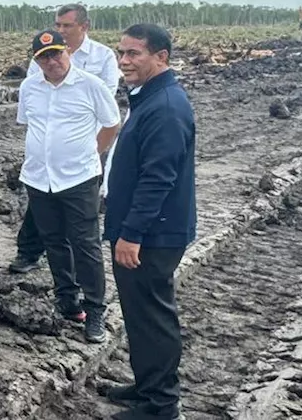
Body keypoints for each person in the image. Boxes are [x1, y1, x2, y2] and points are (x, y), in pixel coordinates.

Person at [104, 24, 196, 420]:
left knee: (153, 315)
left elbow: (159, 177)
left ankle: (161, 405)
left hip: (152, 235)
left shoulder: (167, 107)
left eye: (134, 54)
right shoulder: (150, 98)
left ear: (161, 58)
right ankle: (147, 385)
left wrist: (132, 233)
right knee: (139, 313)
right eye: (121, 53)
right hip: (144, 231)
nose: (124, 61)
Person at [16, 30, 120, 341]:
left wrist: (92, 154)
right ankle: (67, 299)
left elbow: (111, 124)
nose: (52, 61)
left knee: (85, 244)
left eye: (56, 54)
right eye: (44, 57)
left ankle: (95, 309)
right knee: (53, 241)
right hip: (38, 178)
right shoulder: (29, 86)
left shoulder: (91, 85)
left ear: (68, 53)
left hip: (78, 178)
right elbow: (28, 123)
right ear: (37, 61)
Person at [10, 3, 121, 273]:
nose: (60, 29)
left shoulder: (103, 57)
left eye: (66, 26)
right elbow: (35, 94)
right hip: (49, 148)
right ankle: (30, 252)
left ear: (84, 27)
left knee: (82, 220)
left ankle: (87, 286)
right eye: (58, 25)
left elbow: (106, 107)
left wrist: (91, 150)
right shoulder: (41, 59)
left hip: (87, 141)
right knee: (42, 202)